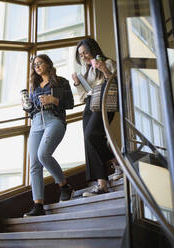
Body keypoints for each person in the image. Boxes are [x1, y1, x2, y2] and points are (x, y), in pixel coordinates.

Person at [22, 54, 74, 217]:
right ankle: (38, 205)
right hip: (37, 122)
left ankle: (64, 186)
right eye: (34, 65)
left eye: (40, 63)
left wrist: (54, 100)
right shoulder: (34, 87)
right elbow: (32, 110)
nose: (36, 66)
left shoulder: (61, 82)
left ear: (48, 64)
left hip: (54, 120)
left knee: (43, 154)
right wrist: (27, 106)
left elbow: (70, 104)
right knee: (34, 164)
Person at [71, 38, 122, 197]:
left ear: (94, 50)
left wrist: (105, 70)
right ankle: (102, 183)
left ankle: (116, 162)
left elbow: (117, 83)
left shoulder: (108, 62)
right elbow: (84, 96)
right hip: (90, 105)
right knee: (89, 140)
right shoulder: (87, 71)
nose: (84, 56)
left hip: (105, 102)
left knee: (91, 134)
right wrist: (78, 83)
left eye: (86, 52)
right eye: (81, 55)